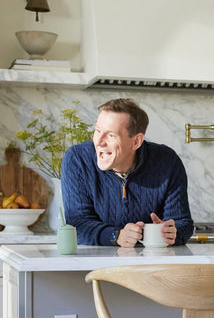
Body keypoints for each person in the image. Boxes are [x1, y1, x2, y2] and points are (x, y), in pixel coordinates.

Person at [61, 98, 194, 247]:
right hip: (96, 263)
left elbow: (183, 223)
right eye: (98, 131)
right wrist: (115, 235)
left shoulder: (168, 162)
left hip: (152, 261)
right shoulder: (77, 159)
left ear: (136, 142)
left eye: (111, 135)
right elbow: (77, 225)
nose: (99, 142)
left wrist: (172, 232)